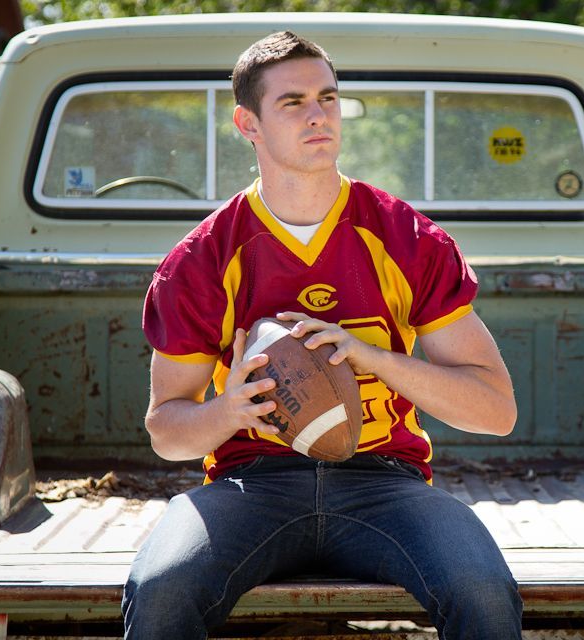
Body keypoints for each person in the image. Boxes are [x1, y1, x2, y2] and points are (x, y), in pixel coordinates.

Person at [121, 31, 523, 639]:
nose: (318, 115)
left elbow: (495, 411)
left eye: (328, 98)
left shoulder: (404, 237)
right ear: (246, 122)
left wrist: (371, 356)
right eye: (292, 103)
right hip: (251, 482)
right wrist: (231, 410)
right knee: (161, 589)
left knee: (484, 591)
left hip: (385, 482)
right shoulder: (203, 259)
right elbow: (166, 430)